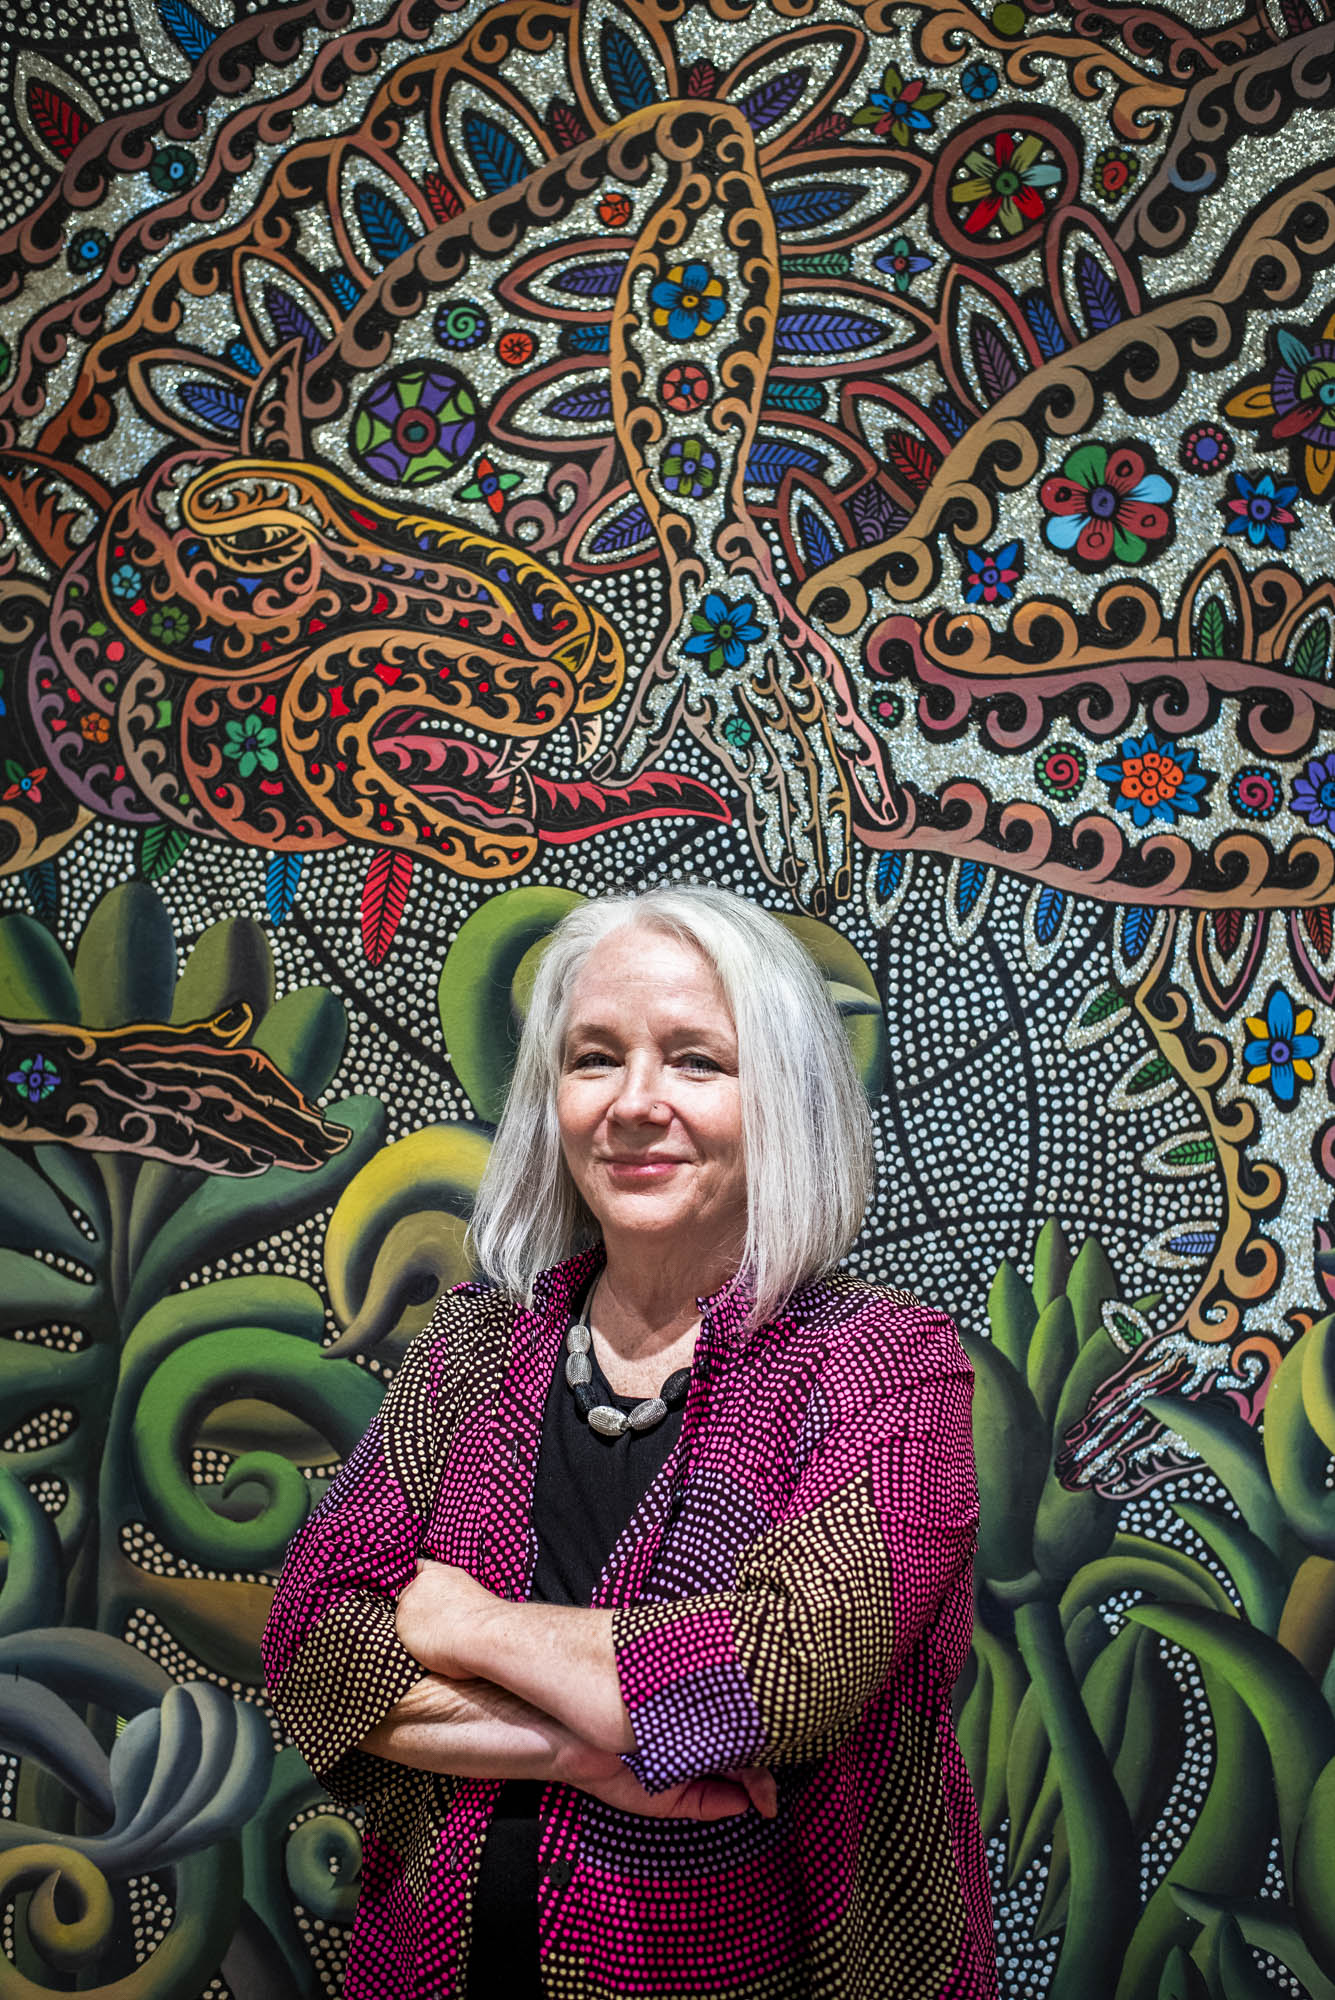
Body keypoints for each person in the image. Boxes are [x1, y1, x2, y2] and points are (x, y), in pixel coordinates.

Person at [261, 885, 997, 1999]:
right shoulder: (470, 1345)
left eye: (696, 1059)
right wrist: (592, 1751)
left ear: (784, 1099)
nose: (634, 1102)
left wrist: (467, 1621)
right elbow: (313, 1651)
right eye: (595, 1056)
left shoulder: (889, 1366)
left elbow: (781, 1676)